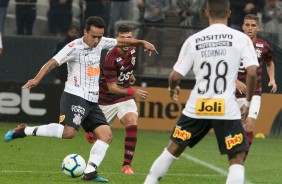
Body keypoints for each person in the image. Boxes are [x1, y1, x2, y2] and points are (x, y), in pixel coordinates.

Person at [4, 16, 157, 183]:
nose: (97, 40)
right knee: (69, 133)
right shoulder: (73, 47)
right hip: (75, 95)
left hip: (92, 100)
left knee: (106, 136)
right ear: (85, 32)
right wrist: (36, 79)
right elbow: (52, 63)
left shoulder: (102, 42)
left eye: (100, 36)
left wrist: (142, 42)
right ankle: (24, 130)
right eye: (94, 36)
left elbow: (120, 41)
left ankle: (90, 172)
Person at [144, 0, 258, 184]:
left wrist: (172, 89)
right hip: (225, 107)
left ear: (206, 13)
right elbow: (252, 71)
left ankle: (149, 181)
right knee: (236, 159)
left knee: (172, 150)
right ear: (229, 13)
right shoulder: (241, 38)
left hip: (197, 106)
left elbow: (174, 76)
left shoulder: (194, 40)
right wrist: (247, 102)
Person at [85, 24, 149, 174]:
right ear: (116, 39)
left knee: (132, 122)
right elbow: (112, 87)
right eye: (123, 38)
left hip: (123, 98)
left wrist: (129, 75)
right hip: (105, 101)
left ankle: (126, 165)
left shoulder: (133, 50)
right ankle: (91, 133)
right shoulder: (110, 57)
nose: (127, 41)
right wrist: (133, 92)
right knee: (99, 136)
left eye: (129, 38)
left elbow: (127, 69)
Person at [236, 14, 277, 161]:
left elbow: (270, 63)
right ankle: (236, 157)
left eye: (253, 25)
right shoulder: (234, 44)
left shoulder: (264, 46)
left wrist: (272, 79)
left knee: (249, 123)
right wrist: (235, 81)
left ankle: (240, 162)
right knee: (236, 129)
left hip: (255, 93)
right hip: (234, 94)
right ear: (242, 27)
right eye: (247, 25)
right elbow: (224, 66)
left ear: (258, 28)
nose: (250, 28)